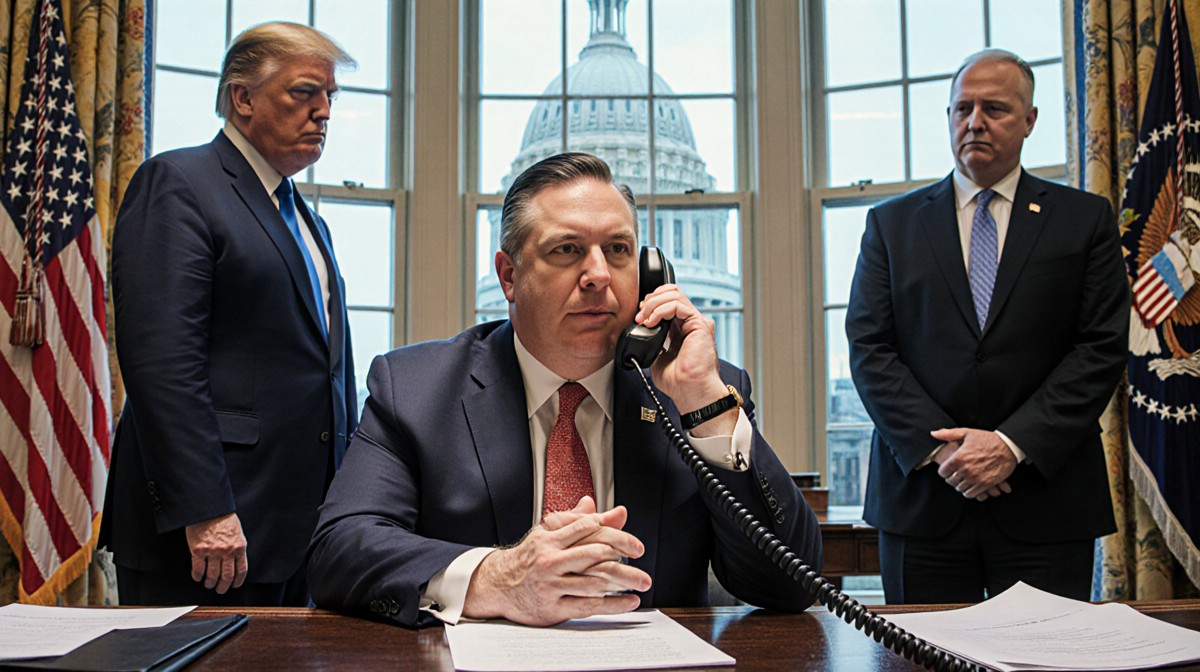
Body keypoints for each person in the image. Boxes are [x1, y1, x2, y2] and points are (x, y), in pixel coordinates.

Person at [306, 152, 822, 627]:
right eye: (567, 250)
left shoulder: (702, 390)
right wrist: (496, 578)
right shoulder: (416, 389)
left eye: (617, 250)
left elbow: (790, 585)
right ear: (510, 277)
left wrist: (706, 409)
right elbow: (339, 550)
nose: (598, 274)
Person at [846, 49, 1130, 604]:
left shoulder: (1085, 219)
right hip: (923, 498)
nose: (974, 122)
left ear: (1029, 121)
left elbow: (1099, 348)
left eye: (995, 109)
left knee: (1045, 661)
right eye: (962, 108)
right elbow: (870, 347)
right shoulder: (891, 224)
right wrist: (949, 454)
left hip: (1046, 499)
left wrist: (1010, 444)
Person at [101, 22, 359, 607]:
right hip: (211, 532)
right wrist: (207, 511)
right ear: (242, 98)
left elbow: (321, 372)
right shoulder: (179, 183)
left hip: (299, 532)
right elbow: (162, 364)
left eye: (330, 98)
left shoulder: (307, 221)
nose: (323, 112)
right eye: (303, 93)